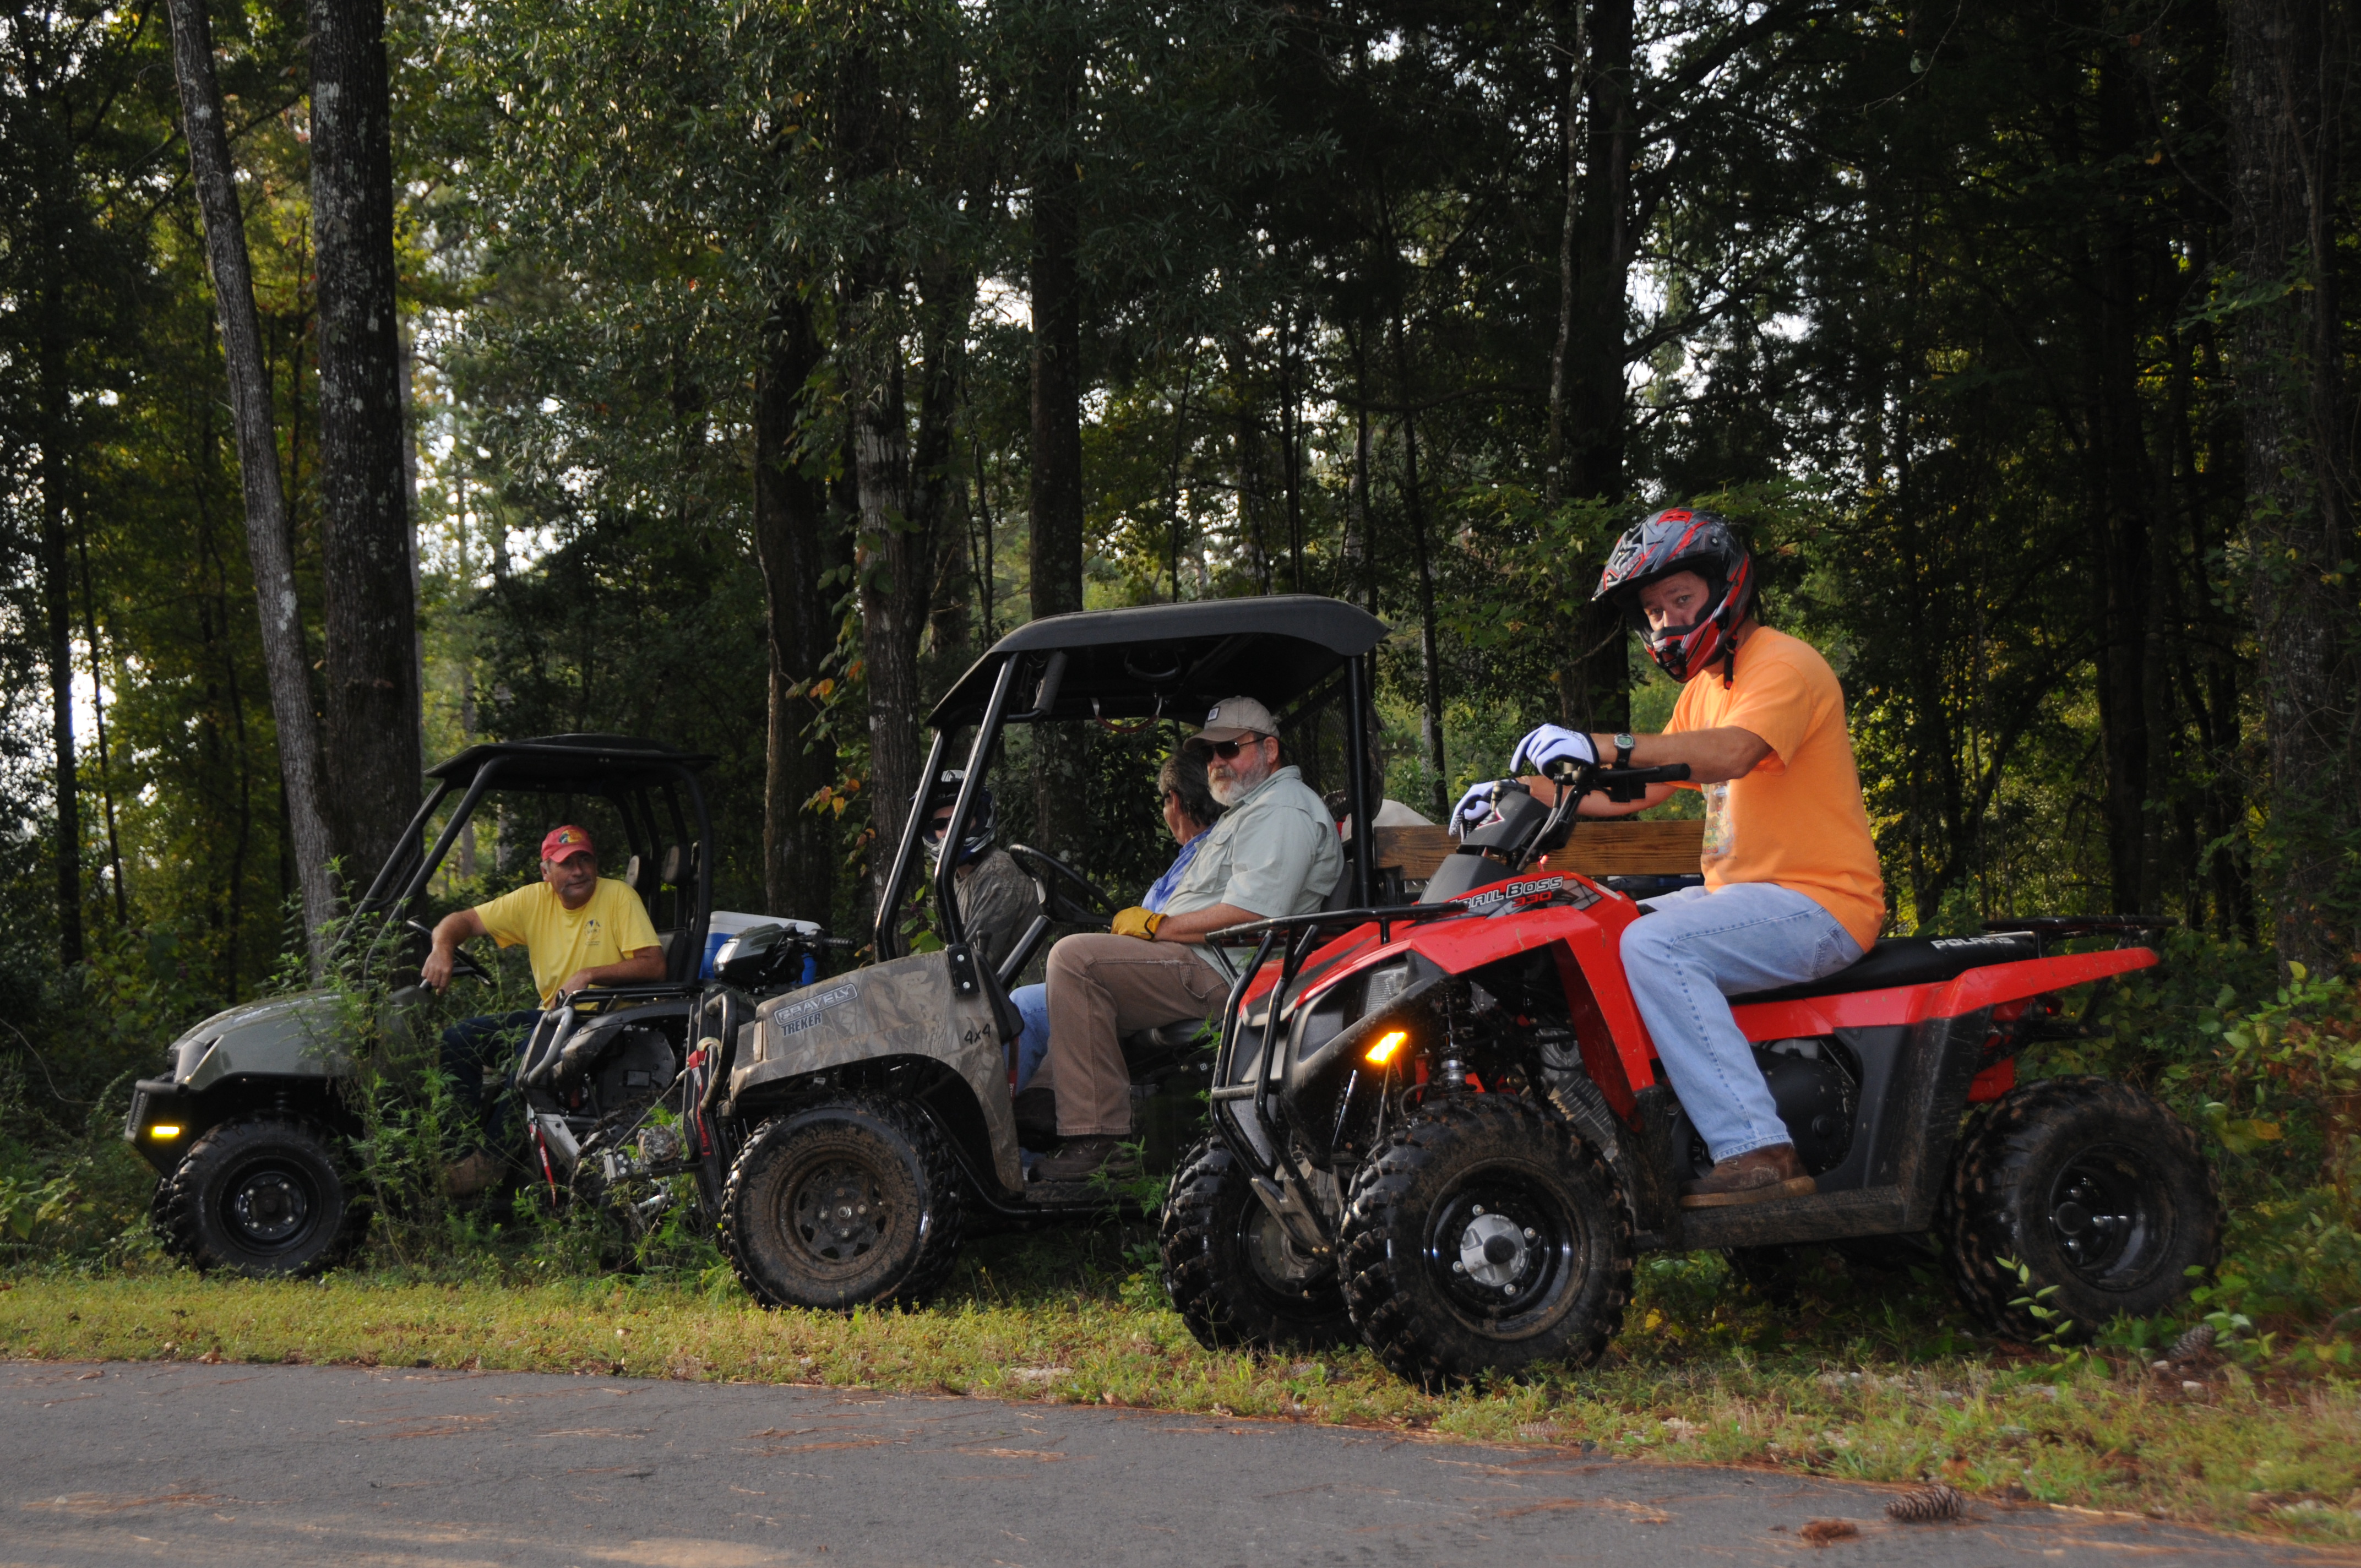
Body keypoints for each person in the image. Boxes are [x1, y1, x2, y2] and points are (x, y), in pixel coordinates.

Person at [1453, 508, 1885, 1208]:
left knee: (1656, 946)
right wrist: (1514, 794)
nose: (1665, 622)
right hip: (1743, 901)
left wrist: (1601, 744)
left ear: (1725, 587)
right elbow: (1640, 788)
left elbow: (1734, 752)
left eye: (1678, 600)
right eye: (1652, 611)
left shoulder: (1784, 662)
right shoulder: (1705, 689)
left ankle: (1758, 1149)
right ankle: (1615, 1140)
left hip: (1822, 902)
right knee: (1594, 926)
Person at [1027, 695, 1343, 1184]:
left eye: (1230, 749)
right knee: (1076, 973)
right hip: (1197, 960)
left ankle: (1098, 1139)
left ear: (1270, 749)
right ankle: (1047, 1108)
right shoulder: (1247, 810)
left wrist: (1157, 927)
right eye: (1210, 755)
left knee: (1075, 960)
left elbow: (1255, 915)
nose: (1218, 762)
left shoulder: (1283, 810)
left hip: (1230, 972)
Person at [423, 824, 665, 1195]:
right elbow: (461, 922)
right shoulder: (532, 901)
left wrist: (589, 975)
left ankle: (490, 1163)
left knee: (526, 1063)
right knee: (459, 1041)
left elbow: (653, 965)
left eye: (585, 860)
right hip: (554, 1017)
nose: (579, 871)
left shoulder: (618, 897)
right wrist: (442, 948)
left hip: (604, 1019)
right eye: (566, 864)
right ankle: (457, 1153)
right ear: (546, 872)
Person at [1007, 749, 1226, 1128]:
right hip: (1170, 966)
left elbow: (1175, 927)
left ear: (1174, 800)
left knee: (1030, 1001)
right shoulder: (1193, 858)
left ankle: (1036, 1131)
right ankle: (1043, 1111)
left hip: (1189, 972)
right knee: (1055, 987)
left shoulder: (1210, 855)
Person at [920, 771, 1040, 981]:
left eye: (960, 818)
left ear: (980, 817)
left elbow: (971, 966)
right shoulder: (955, 879)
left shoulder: (997, 873)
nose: (949, 830)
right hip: (994, 1002)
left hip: (1017, 1002)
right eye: (940, 825)